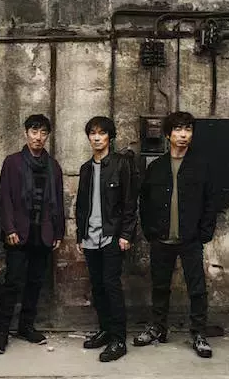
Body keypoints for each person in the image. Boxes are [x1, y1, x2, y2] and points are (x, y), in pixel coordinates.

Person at [135, 111, 217, 358]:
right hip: (161, 238)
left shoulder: (201, 166)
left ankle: (199, 333)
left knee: (197, 288)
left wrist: (204, 233)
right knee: (160, 286)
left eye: (188, 129)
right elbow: (145, 202)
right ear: (168, 135)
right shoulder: (156, 167)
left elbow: (210, 201)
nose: (183, 135)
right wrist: (150, 231)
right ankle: (158, 328)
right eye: (179, 129)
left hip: (190, 239)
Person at [0, 114, 65, 355]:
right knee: (12, 283)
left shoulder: (53, 166)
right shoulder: (12, 162)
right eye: (34, 132)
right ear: (26, 133)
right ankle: (1, 333)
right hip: (19, 233)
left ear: (47, 136)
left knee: (35, 283)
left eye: (43, 133)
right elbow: (4, 199)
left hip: (43, 233)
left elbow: (58, 201)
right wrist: (9, 229)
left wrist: (58, 232)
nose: (38, 137)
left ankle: (26, 326)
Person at [75, 116, 138, 362]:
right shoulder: (86, 169)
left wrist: (126, 234)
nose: (97, 137)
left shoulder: (121, 164)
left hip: (112, 236)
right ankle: (105, 330)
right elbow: (81, 206)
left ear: (110, 137)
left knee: (111, 286)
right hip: (90, 236)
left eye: (102, 133)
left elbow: (130, 202)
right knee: (98, 286)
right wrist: (80, 235)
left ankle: (118, 339)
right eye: (92, 133)